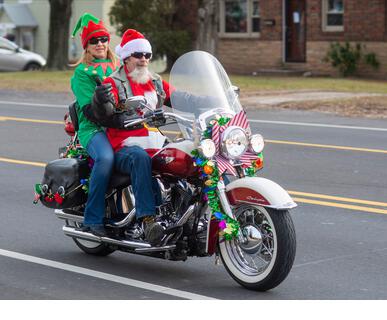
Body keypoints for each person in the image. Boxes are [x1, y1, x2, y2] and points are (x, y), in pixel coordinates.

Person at [89, 29, 171, 245]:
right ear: (126, 58)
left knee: (188, 155)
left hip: (155, 143)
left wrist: (209, 100)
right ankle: (148, 219)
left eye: (147, 55)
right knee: (139, 158)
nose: (143, 60)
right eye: (138, 55)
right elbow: (104, 112)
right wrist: (100, 100)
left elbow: (179, 97)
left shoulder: (155, 81)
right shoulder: (113, 82)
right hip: (124, 146)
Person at [70, 13, 119, 237]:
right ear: (86, 46)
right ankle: (92, 217)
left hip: (121, 125)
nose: (100, 44)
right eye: (94, 41)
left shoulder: (119, 66)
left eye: (103, 39)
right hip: (94, 129)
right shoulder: (82, 73)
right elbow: (89, 110)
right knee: (106, 158)